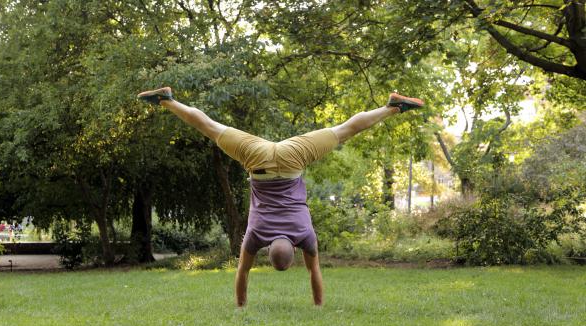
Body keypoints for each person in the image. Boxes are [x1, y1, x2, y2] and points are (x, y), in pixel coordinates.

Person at [137, 87, 424, 307]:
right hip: (258, 160)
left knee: (344, 131)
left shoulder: (305, 235)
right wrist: (240, 307)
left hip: (291, 160)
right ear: (270, 250)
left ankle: (392, 107)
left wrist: (319, 306)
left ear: (295, 251)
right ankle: (167, 100)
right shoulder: (256, 236)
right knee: (210, 128)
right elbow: (242, 272)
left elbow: (314, 273)